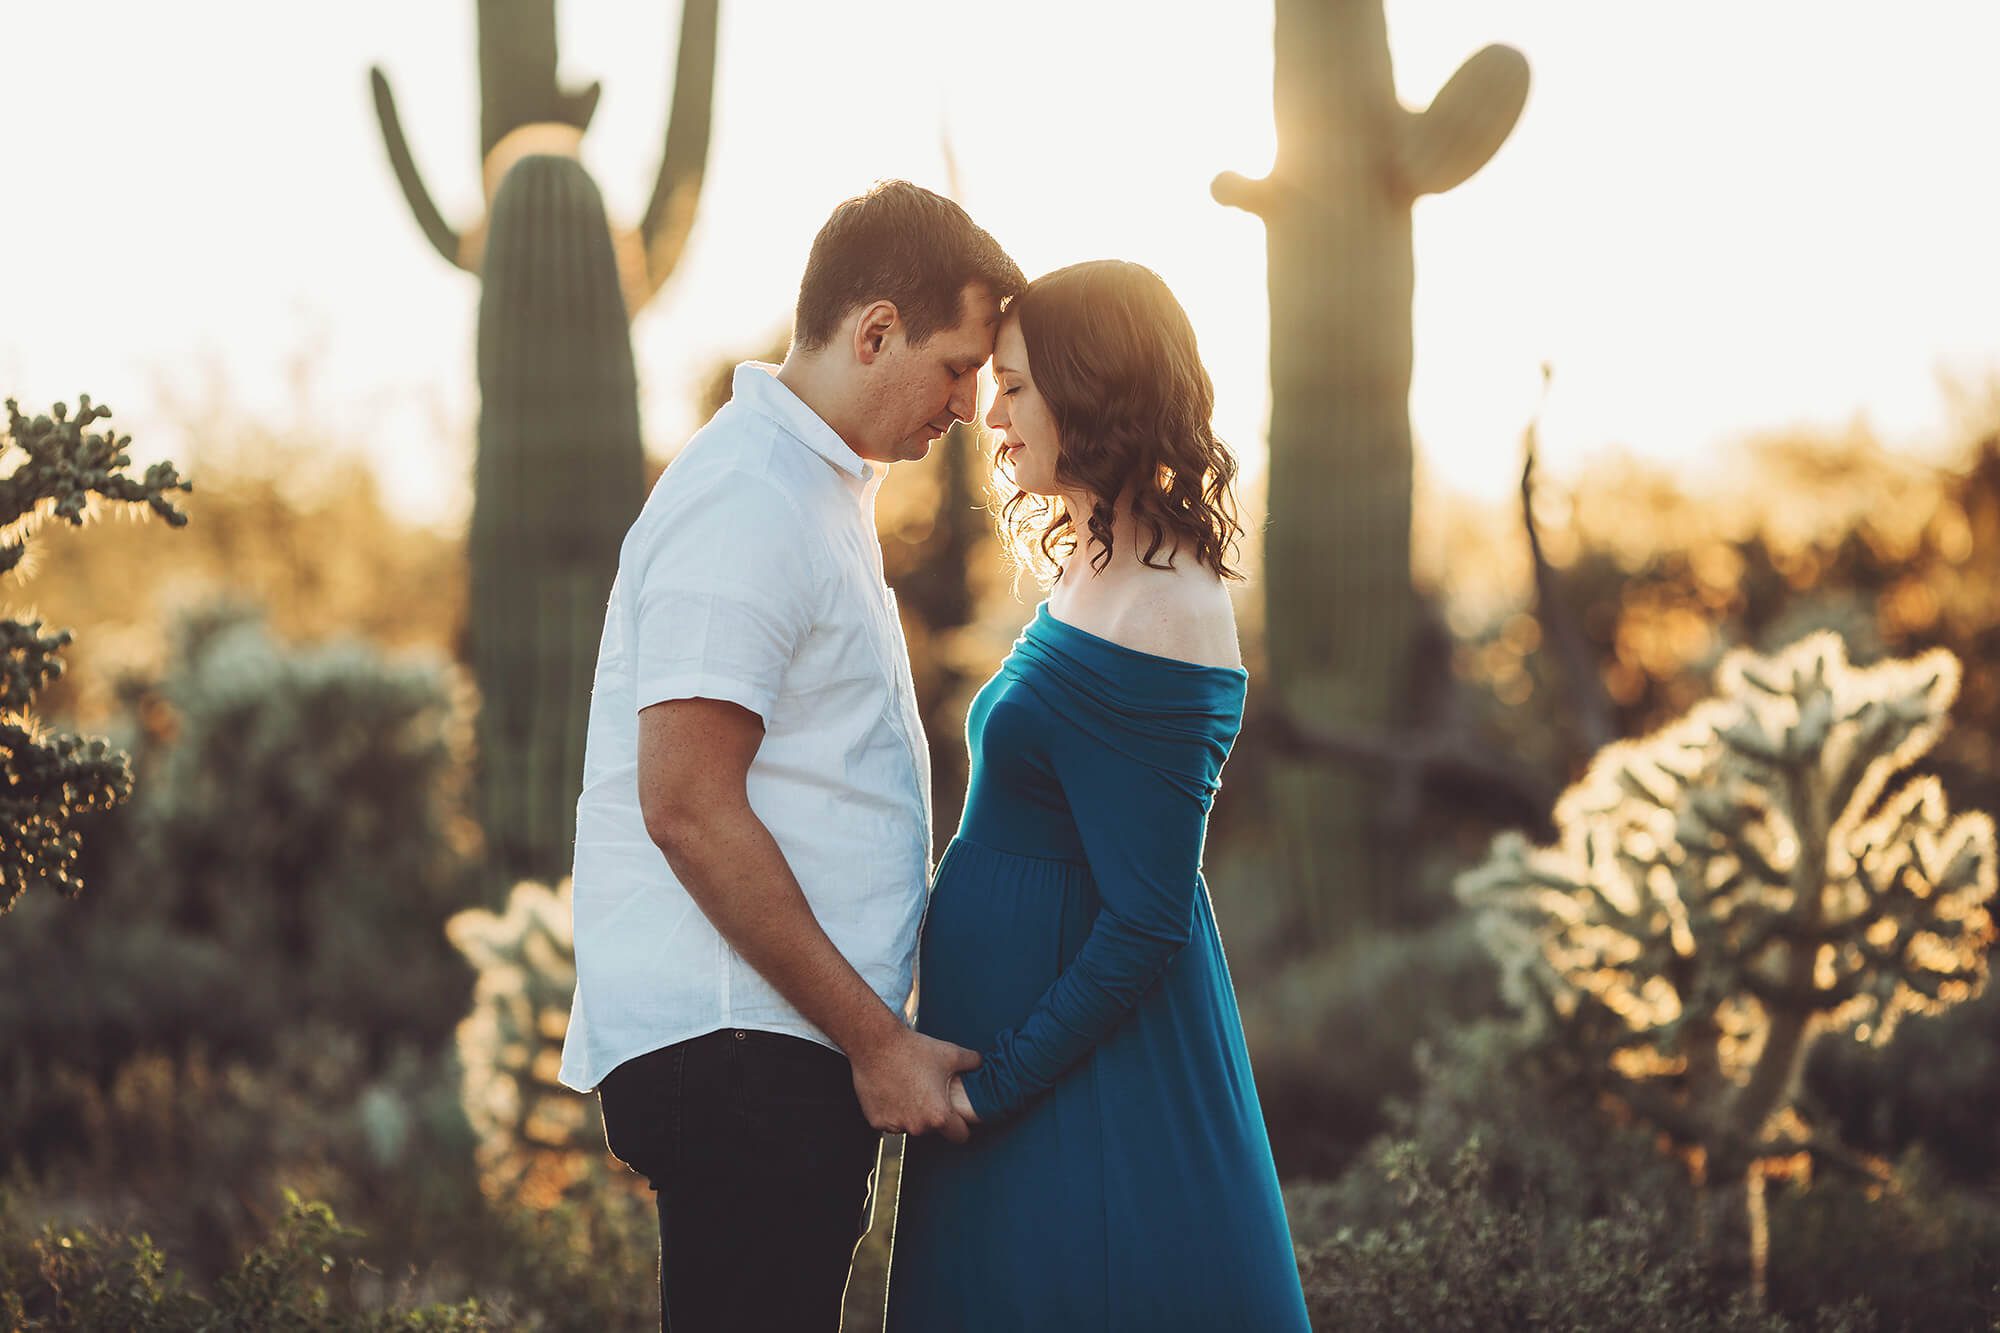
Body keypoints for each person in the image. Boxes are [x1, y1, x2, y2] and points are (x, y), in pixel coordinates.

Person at [556, 179, 1025, 1332]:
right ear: (873, 331)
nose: (968, 404)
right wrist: (875, 1041)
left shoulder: (811, 490)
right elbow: (686, 803)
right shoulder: (749, 499)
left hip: (774, 1047)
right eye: (957, 364)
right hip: (746, 1051)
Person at [885, 260, 1313, 1331]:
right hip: (1010, 1054)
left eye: (1018, 385)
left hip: (1074, 1088)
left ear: (1094, 389)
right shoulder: (1094, 565)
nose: (991, 409)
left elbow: (1149, 919)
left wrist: (995, 1087)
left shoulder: (1166, 599)